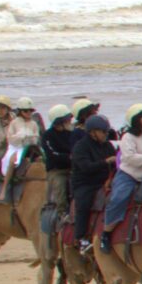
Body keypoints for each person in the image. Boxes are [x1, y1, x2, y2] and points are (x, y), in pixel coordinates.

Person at [102, 104, 142, 248]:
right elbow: (129, 158)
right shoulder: (127, 137)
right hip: (129, 176)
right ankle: (106, 233)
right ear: (136, 120)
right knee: (118, 198)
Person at [68, 114, 117, 245]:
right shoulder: (80, 147)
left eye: (107, 131)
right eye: (103, 132)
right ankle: (81, 237)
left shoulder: (108, 146)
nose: (106, 134)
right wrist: (105, 162)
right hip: (86, 183)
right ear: (93, 132)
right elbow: (85, 167)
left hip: (105, 181)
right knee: (83, 204)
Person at [38, 105, 75, 244]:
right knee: (60, 185)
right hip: (57, 170)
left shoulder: (72, 133)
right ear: (59, 121)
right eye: (67, 120)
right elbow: (53, 155)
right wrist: (70, 157)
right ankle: (62, 214)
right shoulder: (47, 136)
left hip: (74, 168)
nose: (70, 122)